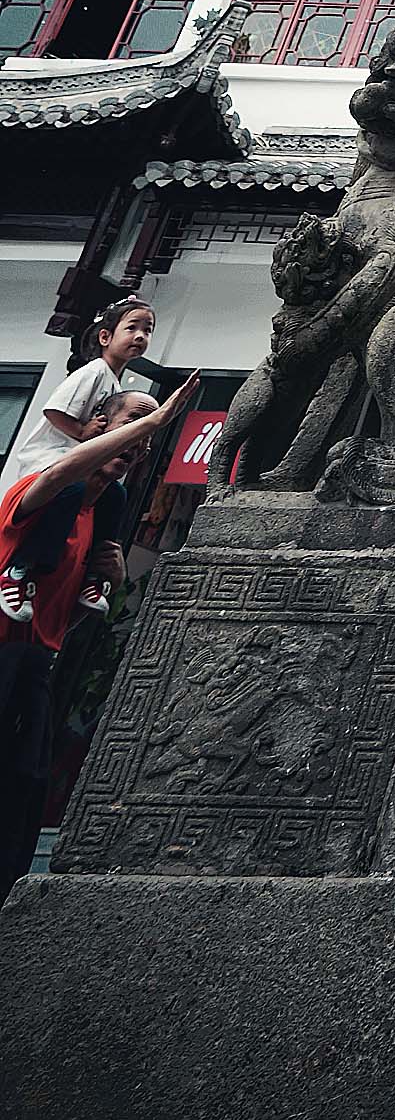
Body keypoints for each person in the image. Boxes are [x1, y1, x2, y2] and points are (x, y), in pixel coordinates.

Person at [0, 376, 192, 898]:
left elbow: (60, 620)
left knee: (22, 792)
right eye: (132, 426)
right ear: (98, 428)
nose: (140, 447)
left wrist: (112, 580)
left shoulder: (102, 516)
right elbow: (64, 468)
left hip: (37, 665)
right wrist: (152, 422)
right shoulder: (46, 492)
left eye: (147, 442)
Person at [0, 294, 163, 498]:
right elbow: (54, 410)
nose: (140, 336)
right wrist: (81, 430)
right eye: (131, 328)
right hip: (49, 461)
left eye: (147, 330)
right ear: (105, 337)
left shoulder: (113, 382)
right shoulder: (94, 371)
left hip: (73, 465)